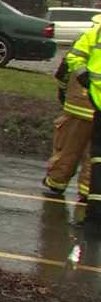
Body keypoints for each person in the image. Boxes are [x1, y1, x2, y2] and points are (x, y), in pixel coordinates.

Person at [50, 20, 101, 202]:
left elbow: (64, 70)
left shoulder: (88, 37)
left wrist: (64, 92)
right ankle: (88, 191)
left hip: (78, 104)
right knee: (93, 156)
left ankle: (56, 182)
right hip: (97, 107)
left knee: (68, 148)